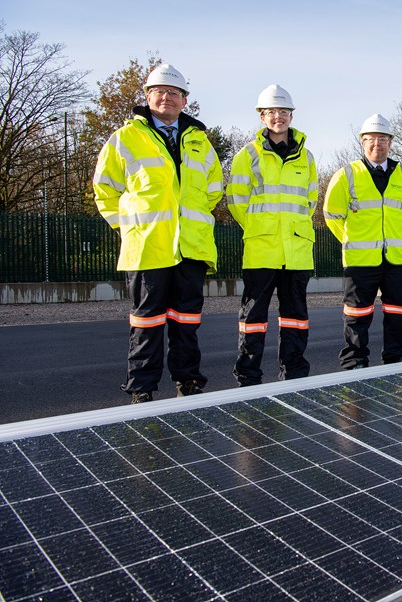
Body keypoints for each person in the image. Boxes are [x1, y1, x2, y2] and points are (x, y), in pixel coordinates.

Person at [92, 64, 223, 403]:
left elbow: (213, 191)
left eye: (174, 93)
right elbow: (105, 189)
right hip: (147, 246)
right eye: (159, 92)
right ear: (147, 97)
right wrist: (126, 227)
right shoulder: (126, 138)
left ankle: (188, 381)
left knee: (187, 321)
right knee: (147, 322)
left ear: (185, 100)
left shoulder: (200, 143)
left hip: (190, 247)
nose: (167, 97)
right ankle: (142, 387)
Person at [227, 85, 318, 386]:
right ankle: (248, 375)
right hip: (262, 249)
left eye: (283, 112)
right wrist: (259, 228)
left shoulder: (307, 157)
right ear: (262, 116)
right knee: (253, 317)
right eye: (272, 112)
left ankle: (294, 374)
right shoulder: (248, 155)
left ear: (291, 116)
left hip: (296, 250)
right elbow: (236, 200)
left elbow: (310, 201)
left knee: (295, 316)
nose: (278, 117)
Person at [323, 114, 402, 369]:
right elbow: (331, 215)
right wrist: (352, 239)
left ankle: (395, 361)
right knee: (357, 315)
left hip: (397, 259)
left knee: (398, 313)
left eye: (382, 138)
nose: (377, 143)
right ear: (362, 143)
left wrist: (393, 237)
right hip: (360, 260)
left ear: (390, 142)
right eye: (371, 139)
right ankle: (354, 364)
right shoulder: (346, 175)